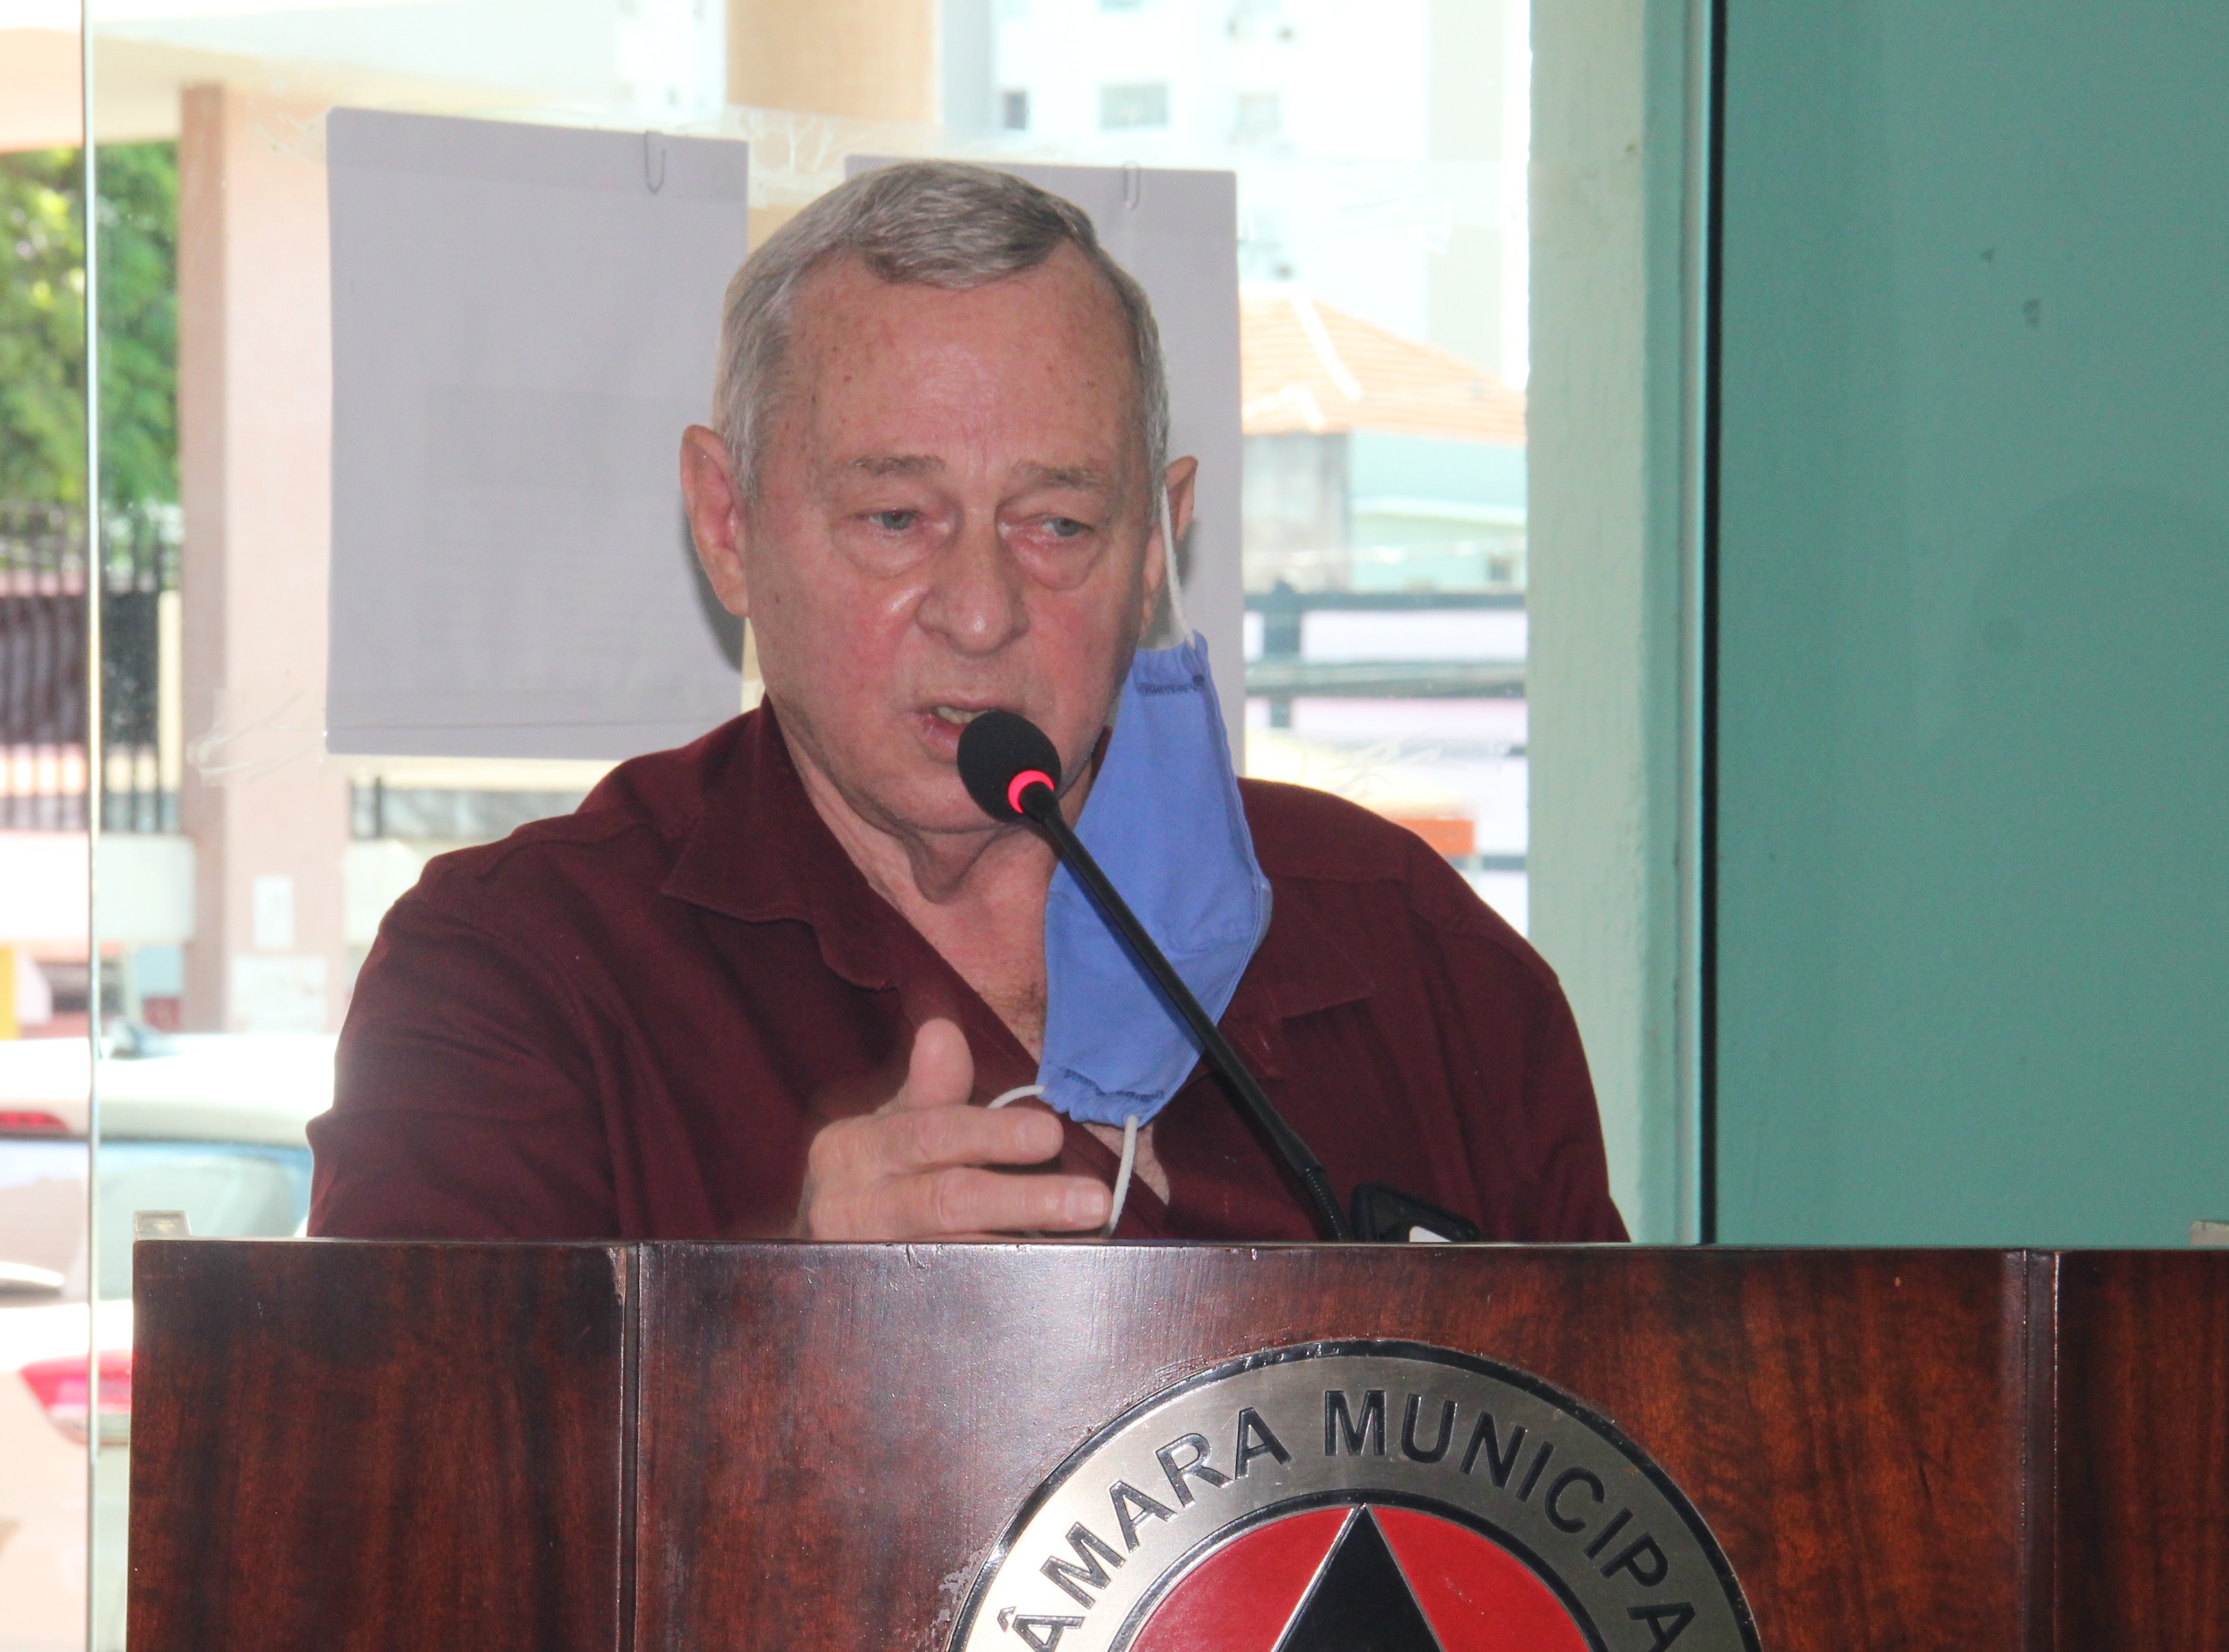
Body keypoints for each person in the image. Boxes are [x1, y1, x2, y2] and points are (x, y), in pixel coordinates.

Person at [308, 161, 1623, 1244]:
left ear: (1158, 544)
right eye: (896, 518)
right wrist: (779, 1332)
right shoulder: (520, 974)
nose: (982, 612)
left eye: (1058, 524)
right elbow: (413, 1483)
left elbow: (1617, 1460)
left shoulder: (1412, 957)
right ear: (728, 522)